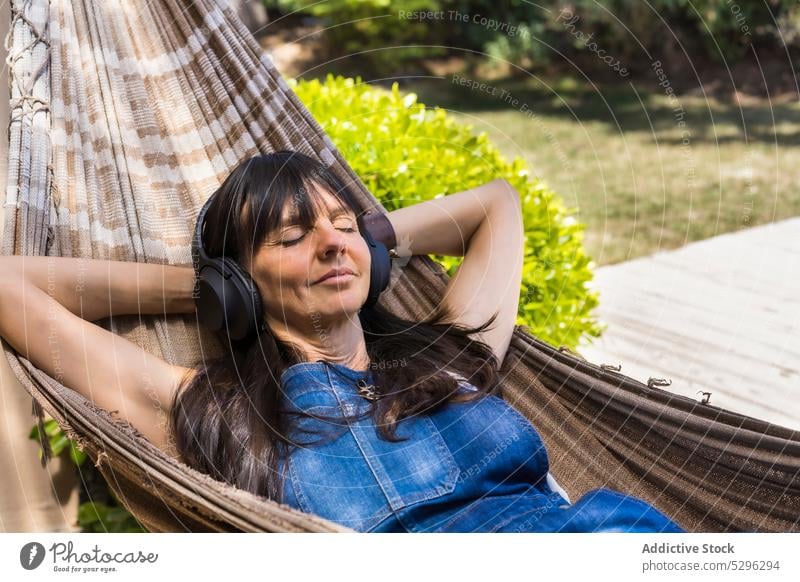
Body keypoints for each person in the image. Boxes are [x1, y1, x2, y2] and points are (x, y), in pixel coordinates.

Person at [0, 150, 684, 533]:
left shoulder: (446, 353)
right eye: (293, 238)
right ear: (240, 280)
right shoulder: (220, 414)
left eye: (339, 222)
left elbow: (495, 205)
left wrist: (370, 244)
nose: (330, 241)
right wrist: (212, 289)